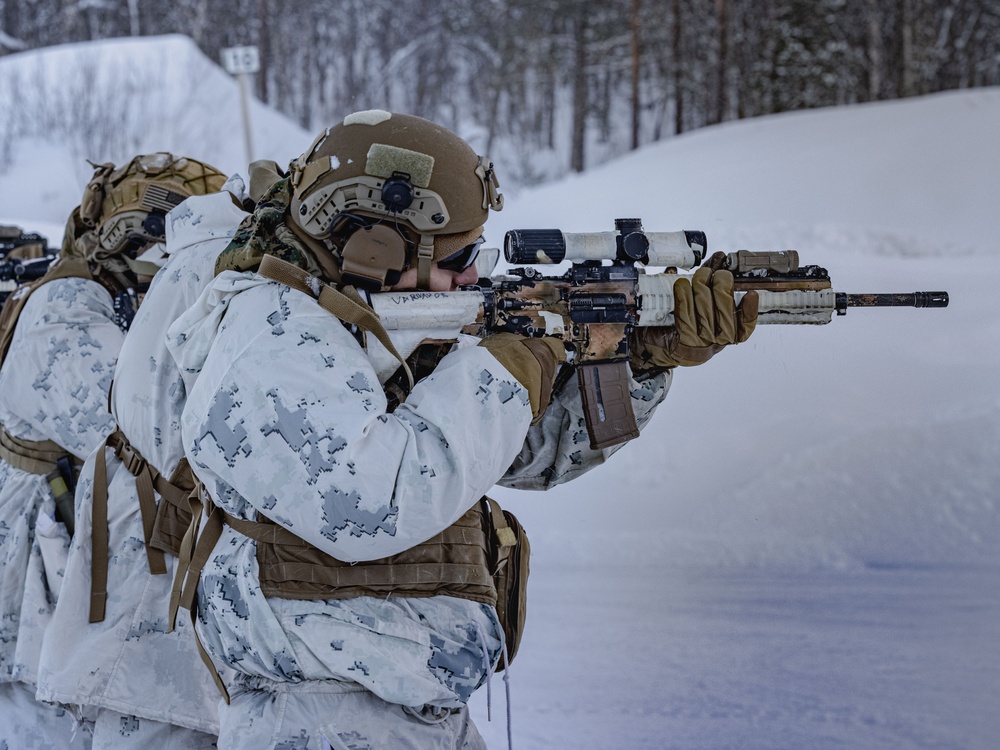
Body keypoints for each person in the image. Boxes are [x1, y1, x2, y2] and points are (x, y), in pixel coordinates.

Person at [159, 110, 758, 749]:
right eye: (462, 256)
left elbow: (519, 454)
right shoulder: (271, 335)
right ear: (376, 248)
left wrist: (637, 361)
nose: (475, 275)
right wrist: (522, 357)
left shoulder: (367, 329)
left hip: (404, 706)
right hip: (323, 715)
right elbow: (371, 504)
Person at [0, 152, 229, 749]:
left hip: (77, 583)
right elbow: (138, 425)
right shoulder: (62, 309)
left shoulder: (123, 301)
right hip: (31, 598)